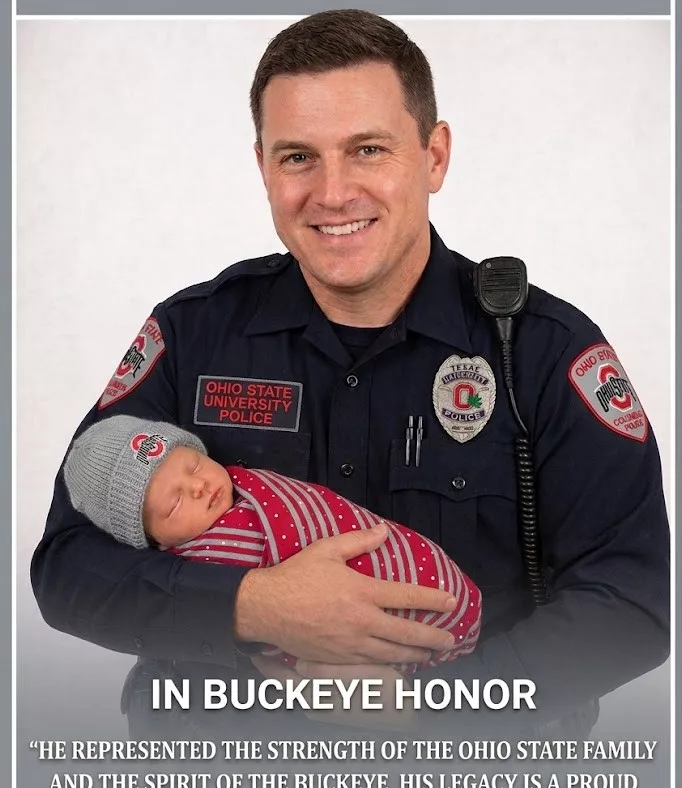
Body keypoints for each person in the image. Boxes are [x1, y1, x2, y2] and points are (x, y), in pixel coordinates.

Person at [31, 10, 669, 735]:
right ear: (263, 165)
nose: (332, 193)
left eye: (368, 149)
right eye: (298, 156)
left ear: (434, 156)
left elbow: (633, 603)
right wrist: (253, 606)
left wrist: (431, 710)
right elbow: (65, 569)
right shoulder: (195, 333)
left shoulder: (543, 351)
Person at [62, 414, 481, 672]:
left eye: (192, 464)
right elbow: (62, 573)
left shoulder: (243, 487)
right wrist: (257, 608)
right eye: (173, 504)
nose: (197, 487)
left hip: (455, 630)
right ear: (150, 540)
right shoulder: (210, 555)